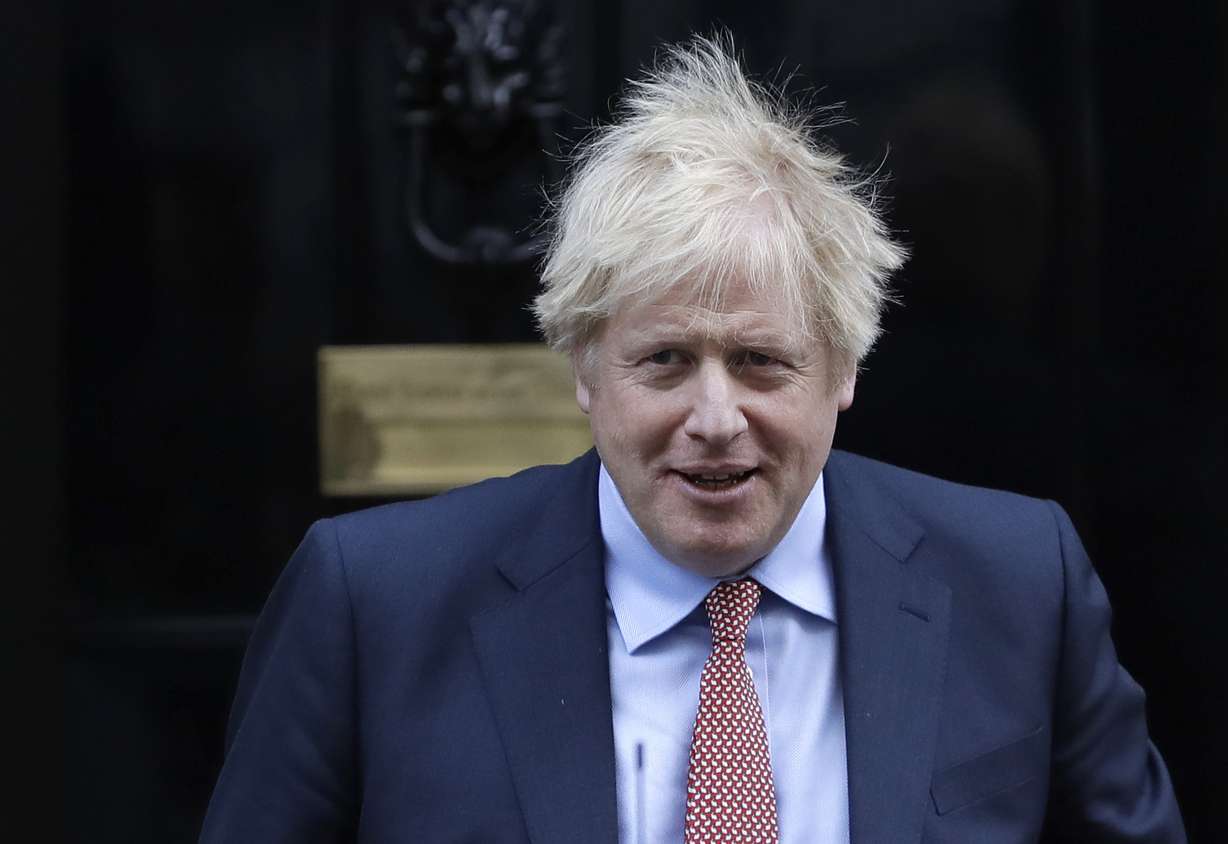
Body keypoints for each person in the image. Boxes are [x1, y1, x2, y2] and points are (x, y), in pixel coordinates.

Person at [200, 36, 1185, 843]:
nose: (715, 419)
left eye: (761, 362)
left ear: (844, 367)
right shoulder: (373, 603)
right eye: (664, 360)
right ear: (583, 367)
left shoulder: (1017, 586)